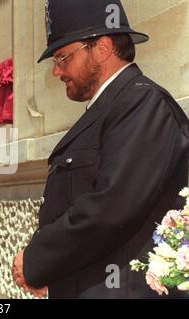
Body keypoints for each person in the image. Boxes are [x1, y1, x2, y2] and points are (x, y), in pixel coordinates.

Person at [12, 0, 189, 298]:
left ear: (103, 48)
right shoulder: (112, 109)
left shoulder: (143, 105)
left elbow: (110, 208)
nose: (57, 72)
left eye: (62, 57)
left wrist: (37, 260)